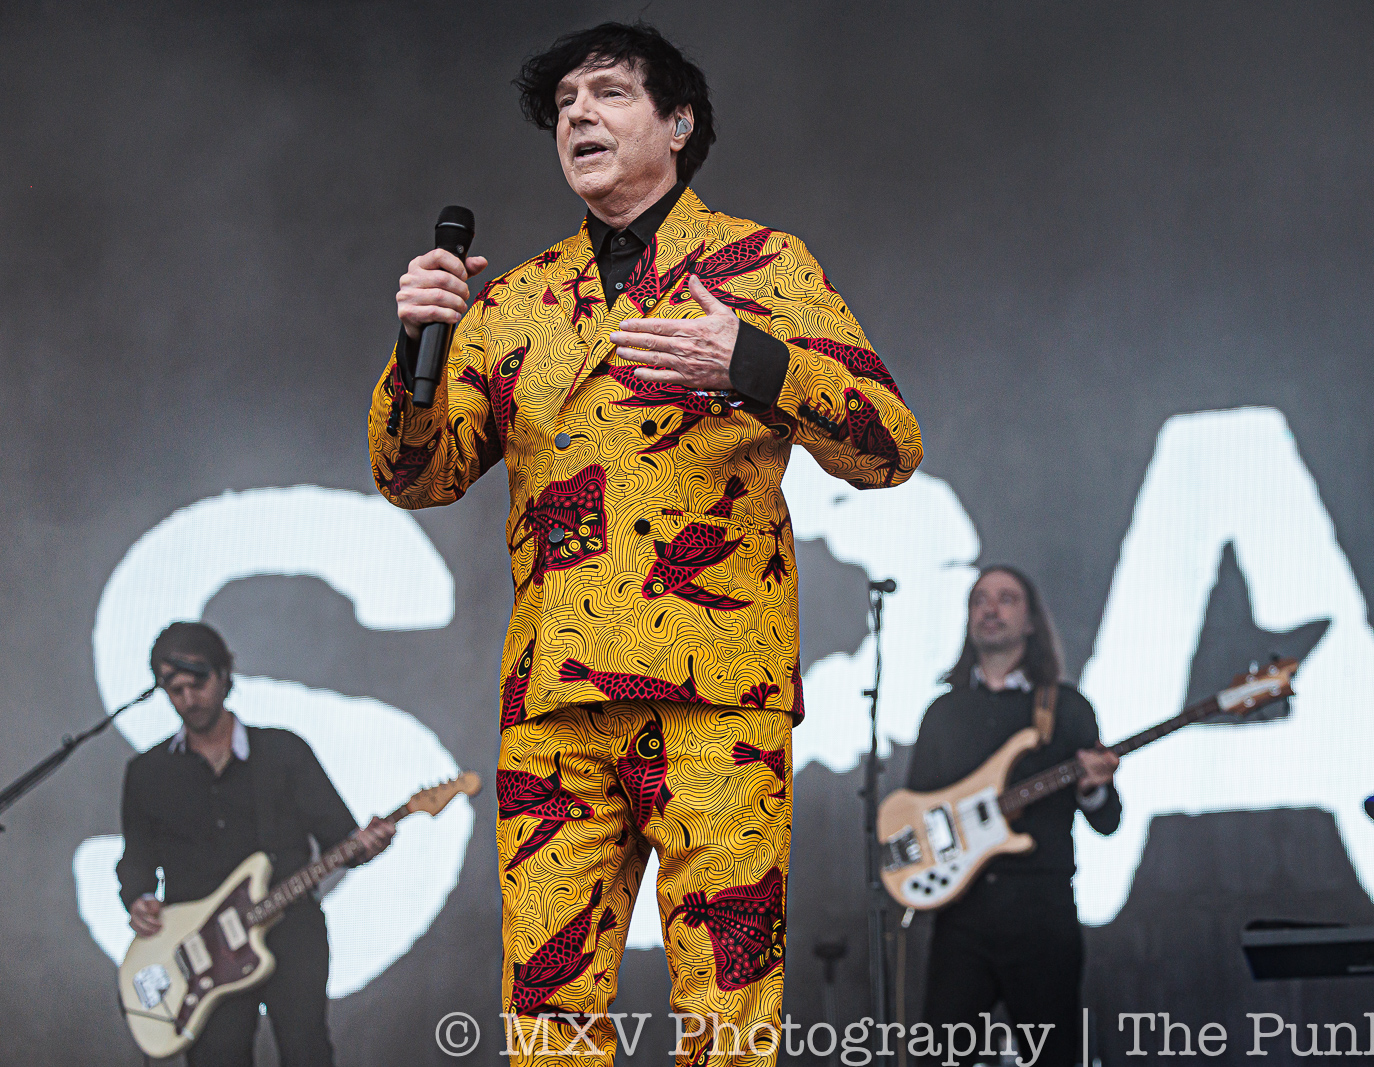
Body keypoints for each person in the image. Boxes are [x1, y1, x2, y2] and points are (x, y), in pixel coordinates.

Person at [366, 21, 921, 1067]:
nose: (578, 113)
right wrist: (415, 346)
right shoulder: (514, 302)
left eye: (610, 93)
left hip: (714, 693)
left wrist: (756, 363)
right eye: (564, 104)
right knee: (547, 1016)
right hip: (555, 701)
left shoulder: (760, 263)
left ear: (678, 123)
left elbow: (890, 445)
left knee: (726, 1012)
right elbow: (413, 476)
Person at [116, 622, 395, 1067]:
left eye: (198, 683)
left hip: (291, 929)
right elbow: (137, 859)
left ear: (225, 674)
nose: (188, 699)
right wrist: (139, 899)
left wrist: (366, 845)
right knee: (217, 1057)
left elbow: (340, 838)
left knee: (306, 1050)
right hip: (200, 944)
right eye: (175, 689)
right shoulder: (148, 773)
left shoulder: (284, 752)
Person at [907, 567, 1121, 1067]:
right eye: (980, 599)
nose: (991, 608)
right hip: (963, 920)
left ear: (1030, 622)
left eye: (1006, 598)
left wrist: (1093, 788)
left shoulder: (1067, 708)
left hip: (1042, 918)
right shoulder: (943, 712)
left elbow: (1108, 820)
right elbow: (913, 811)